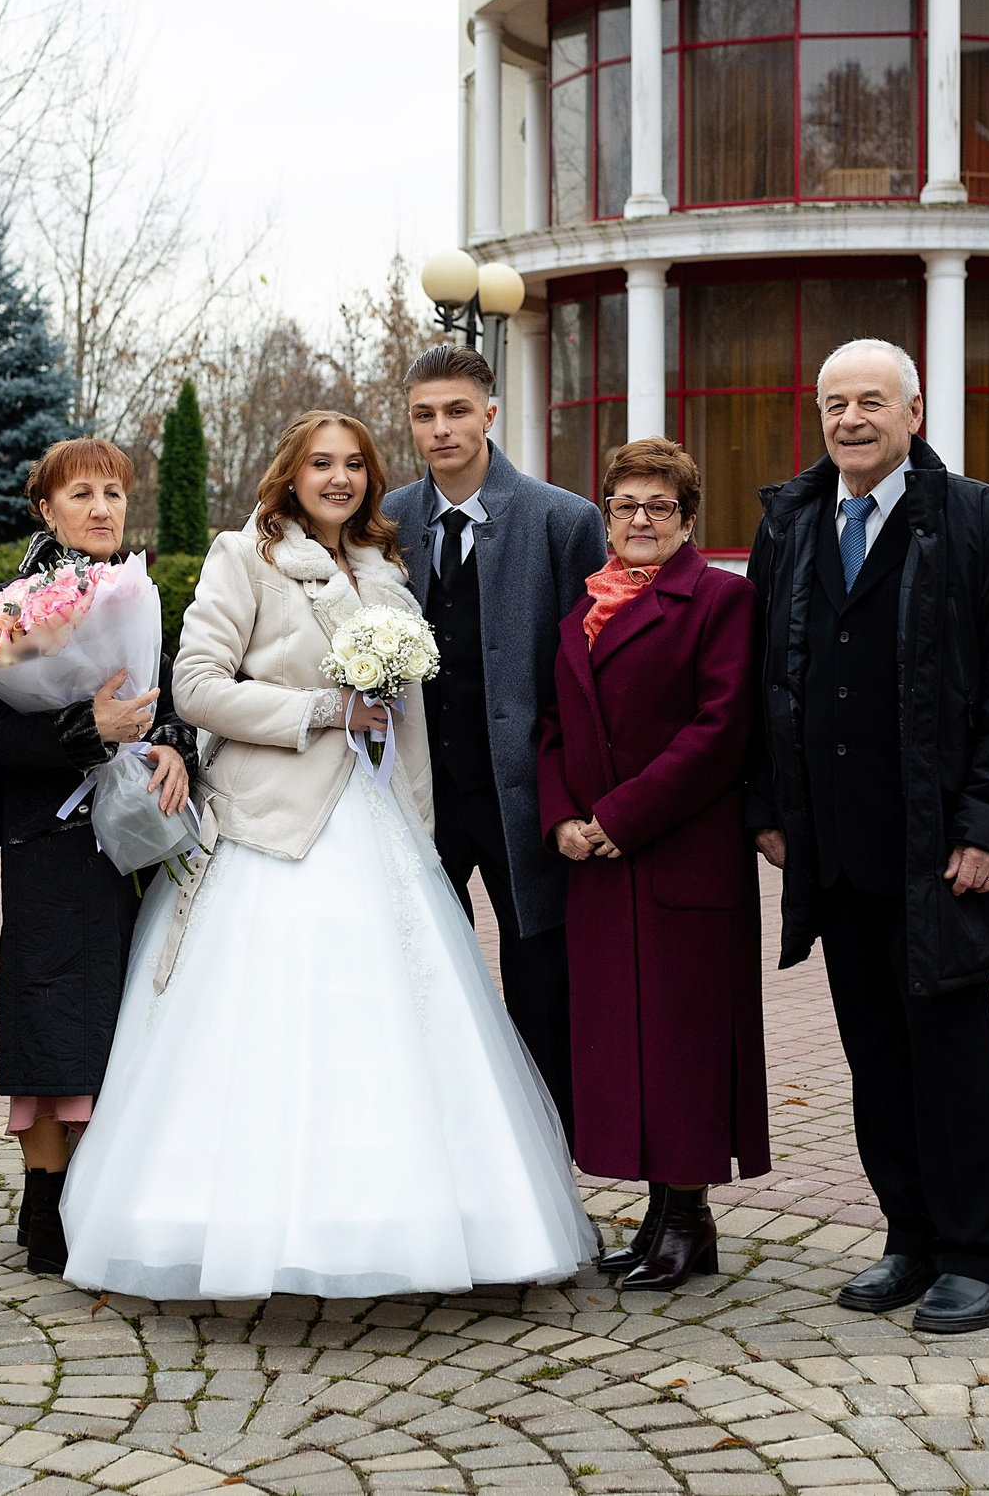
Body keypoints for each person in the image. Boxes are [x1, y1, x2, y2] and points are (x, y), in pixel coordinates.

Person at [59, 409, 597, 1299]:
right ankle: (229, 1224)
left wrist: (414, 808)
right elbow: (195, 688)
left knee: (400, 1026)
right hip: (275, 827)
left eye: (354, 464)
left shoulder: (388, 569)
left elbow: (406, 713)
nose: (339, 478)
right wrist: (319, 711)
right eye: (321, 463)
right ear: (291, 472)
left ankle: (418, 1221)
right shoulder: (247, 555)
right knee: (266, 1032)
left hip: (379, 820)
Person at [743, 339, 989, 1335]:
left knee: (949, 1057)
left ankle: (977, 1254)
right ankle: (911, 1237)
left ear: (914, 413)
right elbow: (761, 676)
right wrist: (766, 807)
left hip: (940, 853)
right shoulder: (792, 522)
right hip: (834, 849)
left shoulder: (986, 524)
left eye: (872, 402)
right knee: (874, 1055)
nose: (851, 419)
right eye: (835, 402)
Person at [536, 438, 769, 1291]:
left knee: (683, 1043)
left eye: (658, 506)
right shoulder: (581, 612)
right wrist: (561, 815)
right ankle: (659, 1217)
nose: (640, 519)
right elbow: (554, 727)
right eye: (625, 504)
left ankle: (690, 1216)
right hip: (598, 865)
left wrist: (617, 818)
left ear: (688, 518)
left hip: (680, 860)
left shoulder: (721, 600)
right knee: (623, 1042)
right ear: (605, 515)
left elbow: (720, 732)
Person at [0, 438, 196, 1276]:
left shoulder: (141, 593)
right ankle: (46, 1208)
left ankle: (113, 1191)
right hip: (53, 843)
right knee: (52, 1013)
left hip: (140, 843)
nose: (101, 508)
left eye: (113, 492)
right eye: (81, 494)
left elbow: (173, 698)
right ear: (46, 508)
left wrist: (175, 749)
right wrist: (82, 730)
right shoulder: (17, 611)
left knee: (131, 1014)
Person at [387, 344, 607, 1147]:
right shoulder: (387, 520)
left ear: (488, 413)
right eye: (424, 414)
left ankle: (554, 1171)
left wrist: (578, 799)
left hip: (526, 800)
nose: (440, 428)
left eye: (455, 410)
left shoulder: (564, 519)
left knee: (540, 987)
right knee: (425, 978)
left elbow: (590, 675)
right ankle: (442, 1159)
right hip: (417, 798)